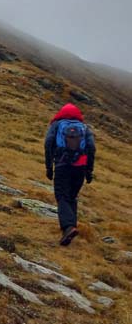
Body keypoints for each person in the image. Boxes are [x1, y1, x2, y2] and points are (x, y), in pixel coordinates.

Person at [44, 103, 96, 246]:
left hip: (62, 165)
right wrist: (89, 171)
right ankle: (70, 229)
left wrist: (49, 167)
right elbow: (91, 148)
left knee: (62, 196)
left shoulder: (57, 125)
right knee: (72, 197)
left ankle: (68, 227)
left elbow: (48, 143)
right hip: (80, 167)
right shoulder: (84, 128)